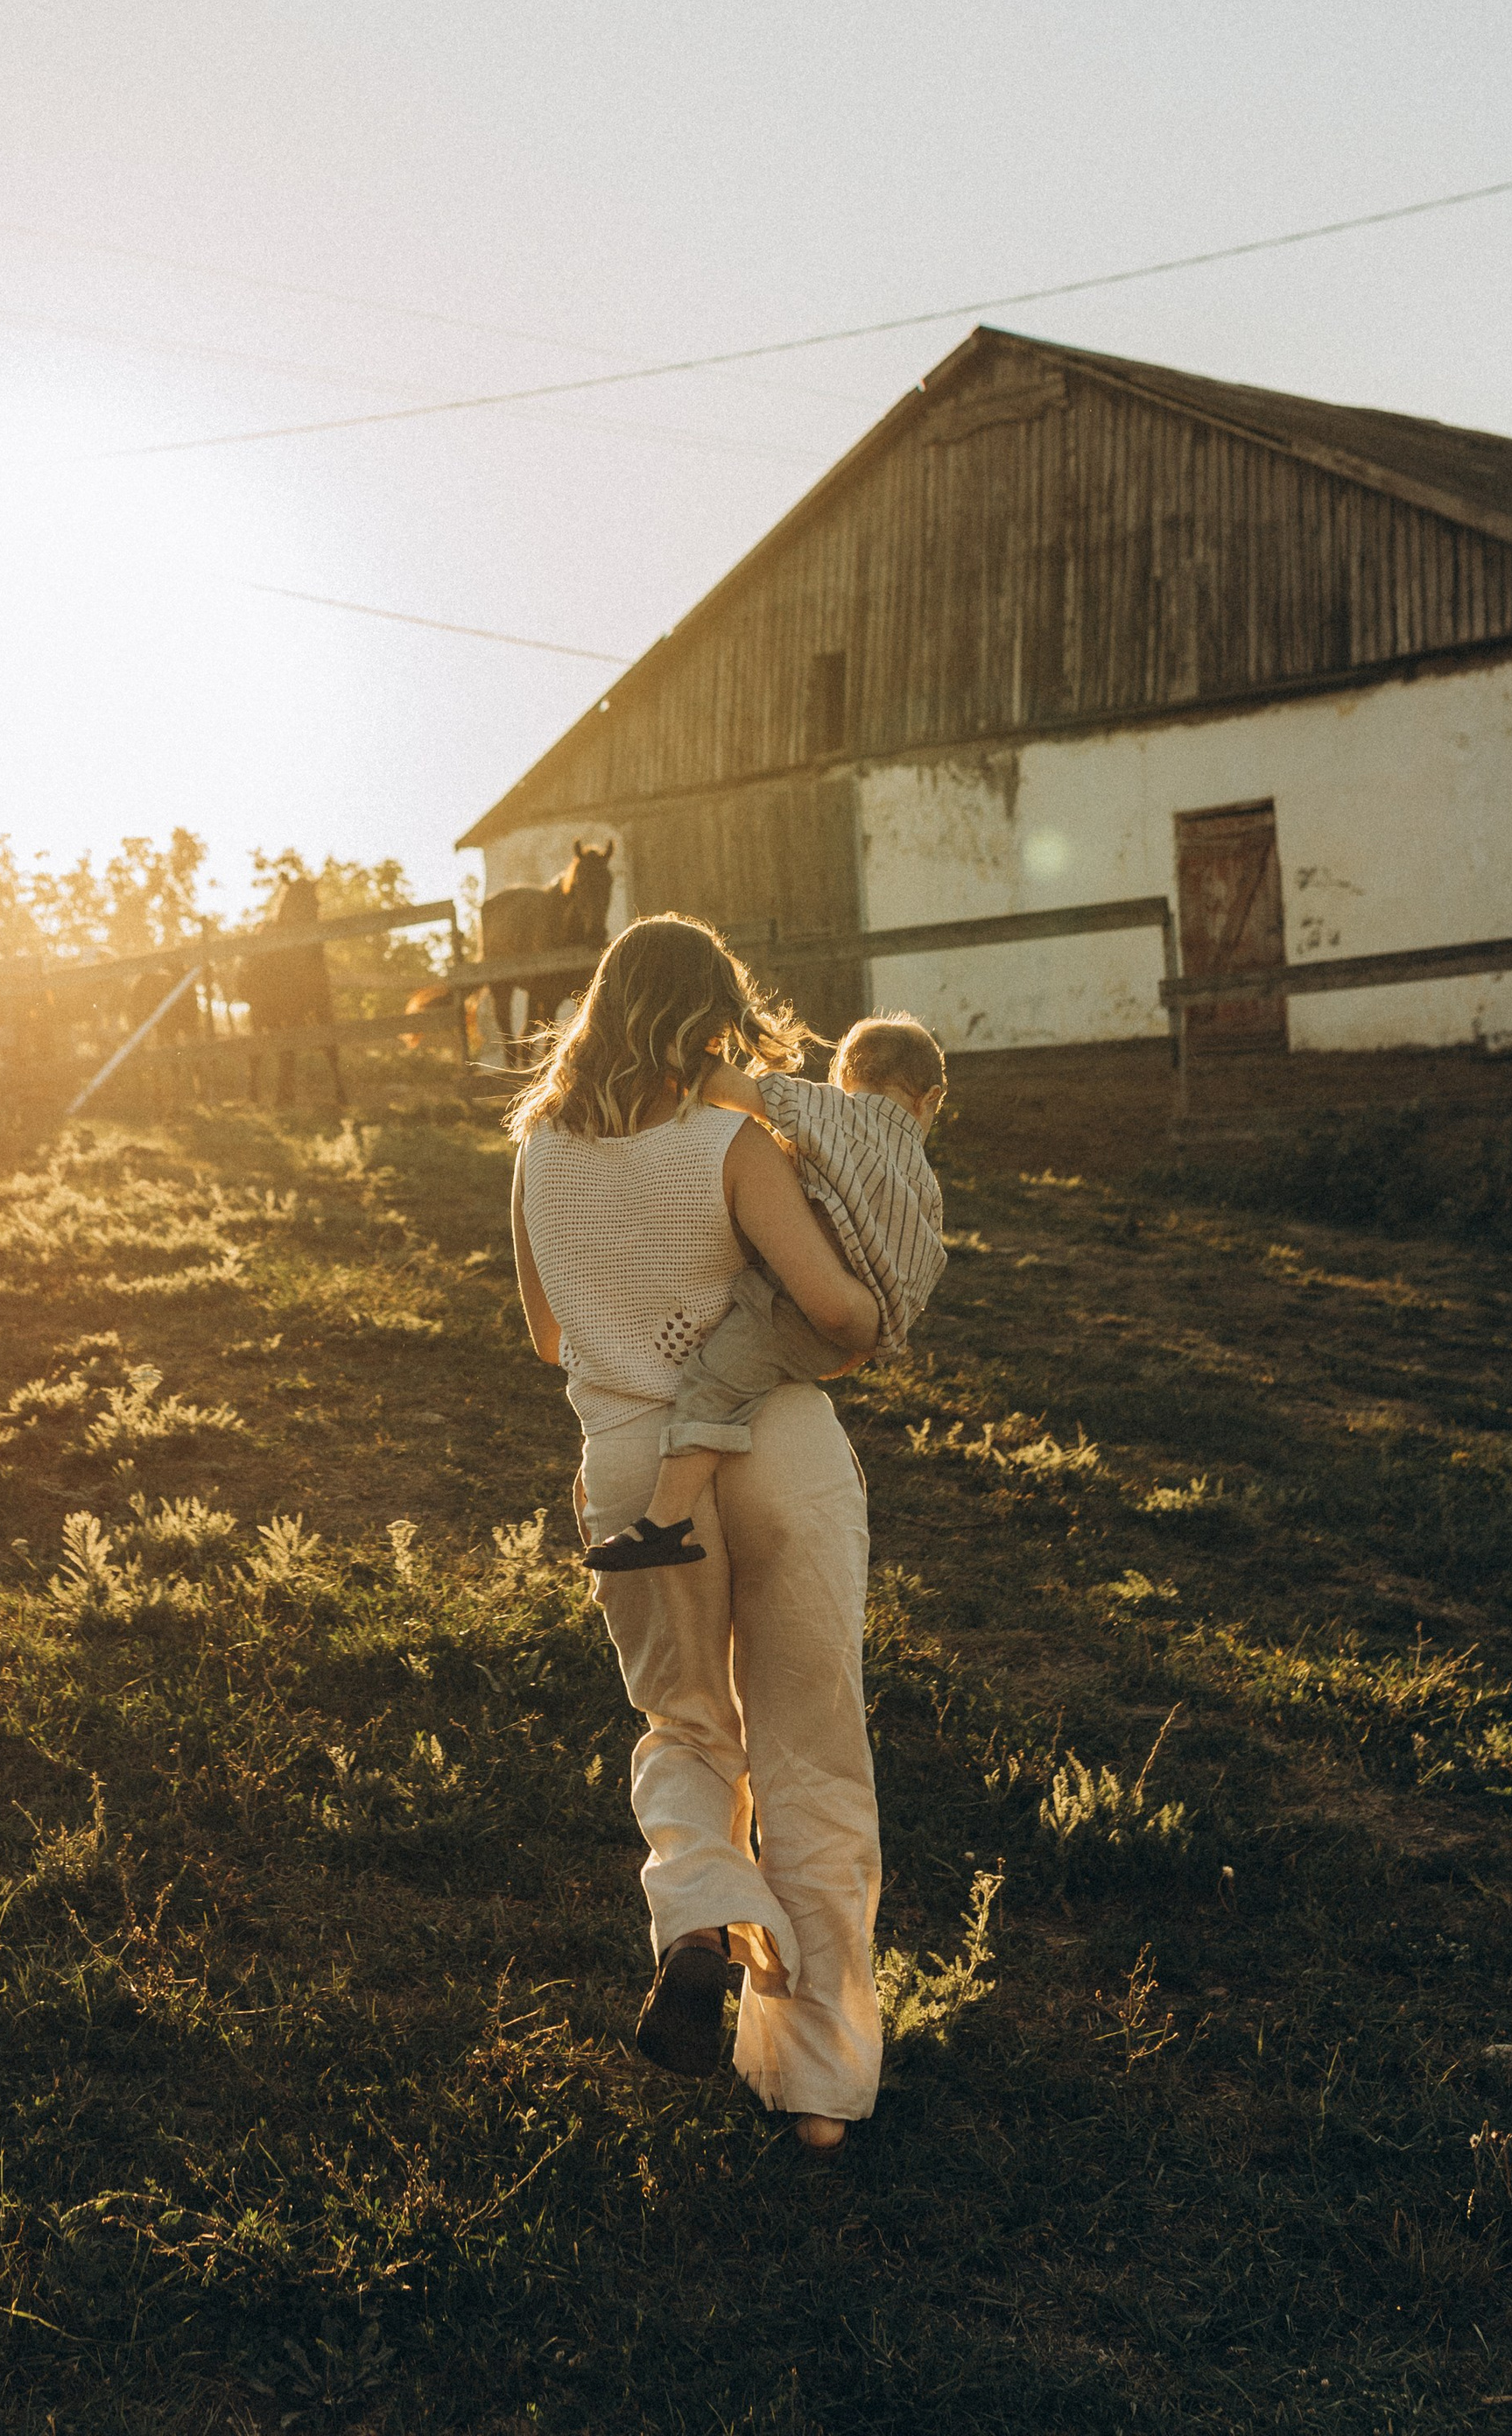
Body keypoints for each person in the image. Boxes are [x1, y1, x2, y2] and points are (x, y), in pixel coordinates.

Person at [509, 913, 886, 2155]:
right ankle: (820, 2090)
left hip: (628, 1462)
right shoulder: (733, 1142)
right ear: (715, 1016)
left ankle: (701, 1916)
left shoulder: (538, 1154)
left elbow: (547, 1339)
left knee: (683, 1726)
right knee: (812, 1751)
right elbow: (835, 1308)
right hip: (772, 1446)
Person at [583, 1012, 947, 1573]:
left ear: (842, 1074)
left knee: (715, 1380)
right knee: (758, 1375)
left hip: (790, 1307)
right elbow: (924, 1261)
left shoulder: (829, 1109)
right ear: (930, 1098)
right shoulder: (925, 1180)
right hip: (858, 1328)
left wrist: (668, 1051)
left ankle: (666, 1519)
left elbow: (731, 1087)